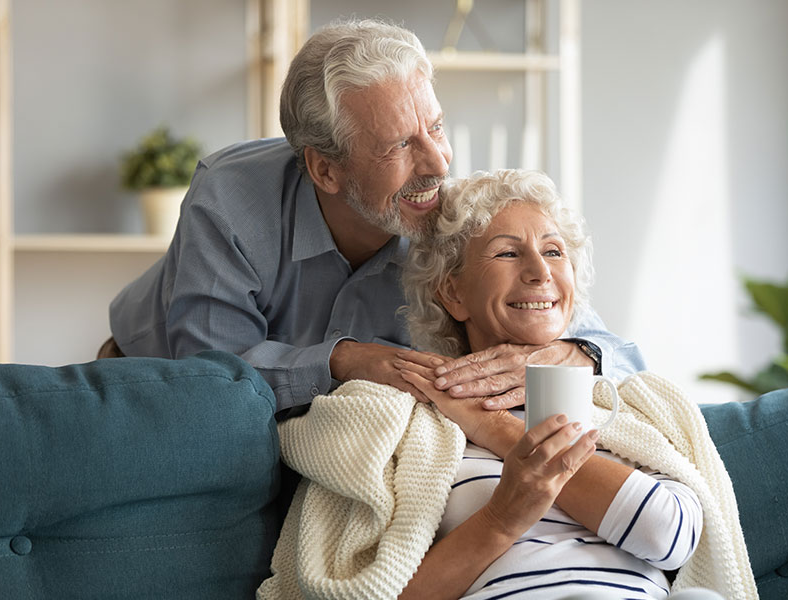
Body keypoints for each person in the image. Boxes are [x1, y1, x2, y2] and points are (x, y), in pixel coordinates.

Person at [105, 19, 644, 416]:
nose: (438, 163)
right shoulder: (230, 199)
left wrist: (572, 355)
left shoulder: (445, 205)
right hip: (150, 377)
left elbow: (609, 345)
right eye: (400, 146)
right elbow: (212, 377)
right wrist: (341, 360)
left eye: (436, 128)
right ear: (326, 169)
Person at [260, 170, 751, 600]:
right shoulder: (396, 420)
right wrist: (503, 518)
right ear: (453, 292)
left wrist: (494, 428)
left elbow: (672, 535)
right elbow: (371, 593)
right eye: (508, 253)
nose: (540, 272)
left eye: (554, 251)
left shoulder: (623, 403)